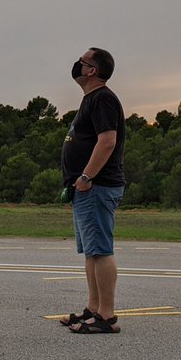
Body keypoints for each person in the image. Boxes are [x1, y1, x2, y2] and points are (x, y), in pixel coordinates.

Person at [60, 48, 126, 334]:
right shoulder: (91, 99)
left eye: (82, 61)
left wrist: (87, 176)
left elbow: (107, 141)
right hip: (86, 188)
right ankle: (93, 309)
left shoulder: (103, 99)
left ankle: (107, 317)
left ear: (92, 70)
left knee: (100, 250)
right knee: (91, 252)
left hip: (97, 186)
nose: (77, 64)